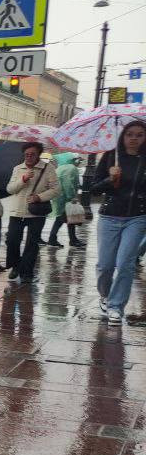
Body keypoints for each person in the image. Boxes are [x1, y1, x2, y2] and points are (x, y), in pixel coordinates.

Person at [87, 119, 146, 324]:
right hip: (109, 216)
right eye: (130, 134)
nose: (134, 139)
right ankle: (105, 295)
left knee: (125, 264)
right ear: (123, 136)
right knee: (105, 265)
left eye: (139, 135)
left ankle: (116, 306)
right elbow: (93, 189)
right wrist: (109, 179)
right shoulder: (112, 157)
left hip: (137, 218)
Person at [4, 142, 58, 284]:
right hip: (17, 211)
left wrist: (39, 197)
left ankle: (27, 272)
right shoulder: (18, 168)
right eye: (26, 154)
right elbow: (10, 189)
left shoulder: (48, 168)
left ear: (38, 155)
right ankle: (15, 266)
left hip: (36, 212)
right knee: (12, 240)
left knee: (32, 243)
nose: (28, 157)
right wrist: (23, 179)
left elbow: (56, 189)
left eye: (32, 154)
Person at [46, 152, 83, 248]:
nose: (77, 161)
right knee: (67, 219)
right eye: (75, 160)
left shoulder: (60, 168)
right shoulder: (71, 168)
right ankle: (68, 240)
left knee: (66, 219)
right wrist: (72, 197)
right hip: (66, 199)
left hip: (59, 197)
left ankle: (70, 239)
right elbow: (68, 184)